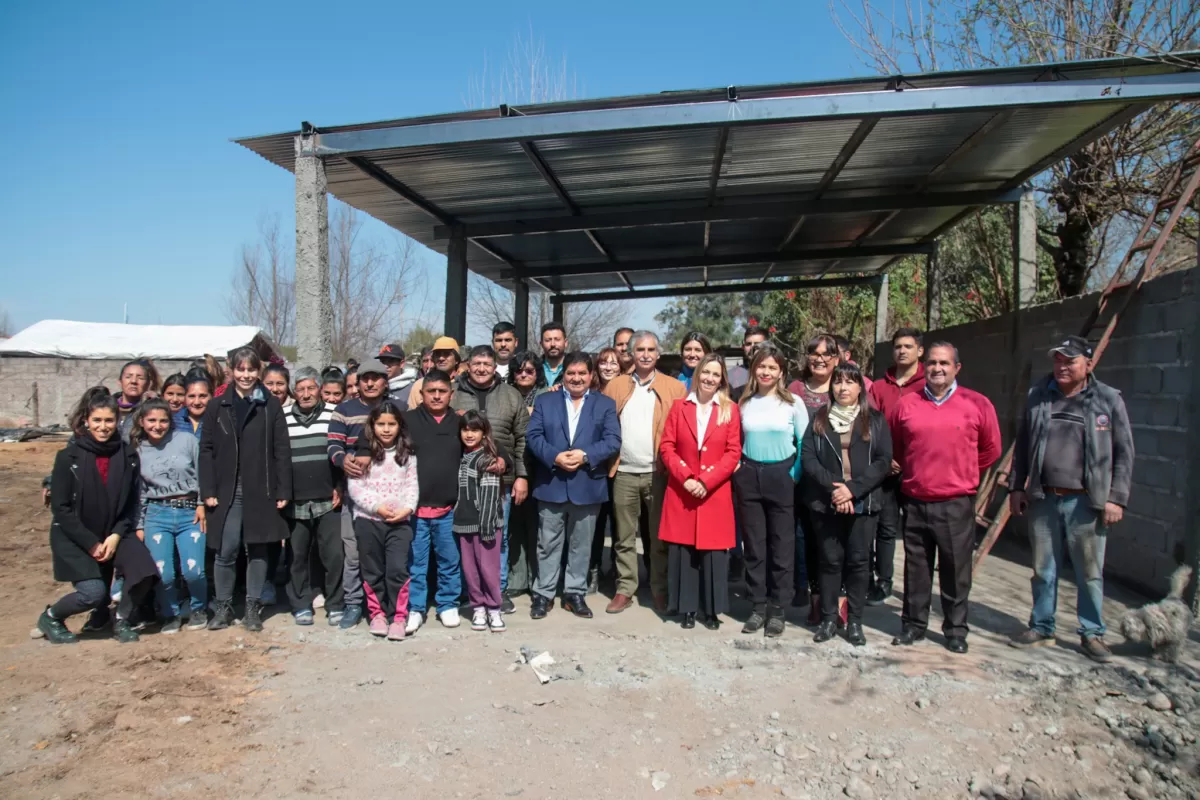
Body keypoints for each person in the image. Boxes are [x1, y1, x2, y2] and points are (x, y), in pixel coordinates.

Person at [1007, 335, 1133, 662]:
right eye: (1058, 360)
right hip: (1043, 499)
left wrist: (1117, 498)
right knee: (1042, 568)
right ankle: (1042, 626)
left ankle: (1092, 633)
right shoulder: (1038, 395)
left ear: (1088, 364)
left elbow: (1124, 454)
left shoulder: (1107, 399)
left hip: (1086, 503)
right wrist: (1016, 487)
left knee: (1089, 572)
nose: (1062, 367)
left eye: (1070, 361)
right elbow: (1021, 446)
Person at [890, 342, 1001, 654]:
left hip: (955, 503)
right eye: (932, 363)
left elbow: (990, 449)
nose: (937, 368)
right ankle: (913, 625)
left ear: (957, 368)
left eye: (944, 363)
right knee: (916, 569)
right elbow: (898, 448)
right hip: (914, 500)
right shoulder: (907, 405)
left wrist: (959, 472)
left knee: (955, 569)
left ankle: (955, 630)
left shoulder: (977, 404)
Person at [36, 388, 159, 644]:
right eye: (97, 421)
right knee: (92, 593)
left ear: (117, 421)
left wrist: (115, 535)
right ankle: (51, 617)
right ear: (86, 421)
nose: (103, 427)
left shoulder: (126, 456)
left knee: (144, 572)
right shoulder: (68, 457)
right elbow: (61, 507)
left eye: (109, 421)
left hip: (114, 531)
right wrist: (90, 543)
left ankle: (122, 619)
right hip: (75, 535)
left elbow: (130, 502)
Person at [199, 347, 292, 633]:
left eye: (251, 370)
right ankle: (224, 606)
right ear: (231, 370)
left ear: (259, 371)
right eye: (240, 369)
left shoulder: (270, 405)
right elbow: (206, 450)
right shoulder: (217, 405)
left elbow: (281, 450)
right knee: (225, 550)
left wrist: (282, 489)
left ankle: (253, 606)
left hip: (260, 489)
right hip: (228, 491)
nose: (246, 375)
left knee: (258, 550)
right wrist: (208, 489)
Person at [405, 370, 506, 633]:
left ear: (451, 394)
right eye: (431, 391)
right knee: (416, 562)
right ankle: (415, 608)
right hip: (416, 508)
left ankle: (447, 603)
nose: (437, 395)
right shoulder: (408, 420)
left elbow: (489, 438)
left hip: (449, 508)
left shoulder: (458, 422)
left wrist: (502, 459)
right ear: (421, 394)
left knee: (449, 560)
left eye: (442, 391)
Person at [526, 352, 622, 620]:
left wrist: (585, 455)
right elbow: (533, 436)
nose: (576, 378)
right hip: (552, 481)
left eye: (582, 373)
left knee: (582, 544)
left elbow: (613, 440)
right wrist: (554, 456)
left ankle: (574, 593)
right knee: (547, 543)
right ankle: (543, 594)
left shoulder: (605, 404)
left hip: (587, 483)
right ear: (563, 375)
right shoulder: (545, 401)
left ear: (591, 376)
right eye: (571, 373)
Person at [801, 363, 891, 647]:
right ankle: (829, 619)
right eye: (838, 382)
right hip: (826, 503)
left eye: (850, 382)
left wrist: (852, 490)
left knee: (859, 563)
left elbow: (883, 461)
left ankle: (854, 622)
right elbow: (808, 459)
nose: (843, 388)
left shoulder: (875, 420)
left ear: (859, 388)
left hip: (863, 503)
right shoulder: (819, 418)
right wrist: (835, 489)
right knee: (829, 562)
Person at [603, 331, 688, 614]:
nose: (646, 354)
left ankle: (659, 589)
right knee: (624, 538)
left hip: (658, 473)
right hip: (624, 472)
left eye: (651, 349)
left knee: (659, 537)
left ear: (658, 354)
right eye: (640, 349)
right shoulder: (616, 386)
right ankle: (625, 588)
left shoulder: (674, 388)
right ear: (630, 352)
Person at [658, 354, 741, 630]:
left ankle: (712, 610)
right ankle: (687, 609)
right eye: (706, 372)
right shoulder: (680, 406)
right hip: (683, 491)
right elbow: (667, 447)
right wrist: (686, 478)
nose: (709, 378)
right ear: (697, 374)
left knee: (714, 554)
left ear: (722, 379)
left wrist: (706, 481)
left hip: (713, 492)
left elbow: (733, 452)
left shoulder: (730, 409)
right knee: (684, 552)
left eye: (716, 374)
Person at [736, 345, 809, 637]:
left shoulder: (793, 403)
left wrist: (794, 475)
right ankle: (757, 606)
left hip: (783, 475)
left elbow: (804, 444)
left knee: (782, 546)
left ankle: (778, 609)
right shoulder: (744, 402)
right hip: (750, 474)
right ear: (754, 369)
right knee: (754, 546)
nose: (766, 372)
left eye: (772, 368)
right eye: (761, 366)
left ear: (781, 372)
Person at [450, 345, 529, 611]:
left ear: (495, 367)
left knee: (497, 537)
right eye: (476, 363)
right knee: (466, 537)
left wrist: (521, 476)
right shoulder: (454, 395)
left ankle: (498, 589)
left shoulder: (510, 395)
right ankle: (469, 592)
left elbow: (522, 439)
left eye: (487, 364)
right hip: (462, 482)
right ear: (467, 366)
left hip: (500, 483)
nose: (481, 369)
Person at [131, 399, 208, 633]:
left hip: (189, 512)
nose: (158, 425)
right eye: (152, 420)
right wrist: (140, 524)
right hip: (157, 514)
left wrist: (202, 503)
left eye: (163, 420)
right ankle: (170, 614)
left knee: (193, 570)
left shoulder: (186, 440)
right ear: (142, 422)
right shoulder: (138, 450)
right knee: (163, 573)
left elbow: (204, 472)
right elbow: (140, 491)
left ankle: (198, 608)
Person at [346, 401, 418, 640]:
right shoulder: (362, 456)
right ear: (372, 426)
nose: (386, 429)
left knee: (397, 569)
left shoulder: (407, 455)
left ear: (400, 426)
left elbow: (411, 487)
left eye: (392, 424)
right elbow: (356, 488)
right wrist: (377, 507)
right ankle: (377, 614)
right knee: (372, 569)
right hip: (368, 520)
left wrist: (407, 508)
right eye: (381, 424)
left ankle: (399, 617)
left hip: (399, 522)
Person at [327, 357, 390, 629]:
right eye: (365, 378)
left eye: (376, 377)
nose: (370, 382)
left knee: (387, 552)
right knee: (352, 552)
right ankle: (353, 603)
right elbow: (332, 446)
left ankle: (386, 605)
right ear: (358, 382)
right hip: (354, 492)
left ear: (385, 382)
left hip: (389, 491)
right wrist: (343, 460)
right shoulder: (344, 410)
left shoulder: (396, 408)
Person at [866, 328, 926, 606]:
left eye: (908, 346)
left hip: (917, 471)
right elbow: (869, 425)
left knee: (916, 533)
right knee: (885, 528)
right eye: (898, 346)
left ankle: (916, 590)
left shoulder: (928, 385)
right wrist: (884, 457)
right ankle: (883, 581)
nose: (902, 351)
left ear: (919, 351)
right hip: (885, 470)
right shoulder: (879, 387)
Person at [283, 367, 345, 626]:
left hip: (328, 498)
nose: (306, 394)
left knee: (333, 554)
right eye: (300, 389)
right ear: (294, 392)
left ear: (319, 389)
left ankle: (335, 604)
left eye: (311, 388)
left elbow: (342, 450)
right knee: (297, 556)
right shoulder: (282, 416)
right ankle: (300, 604)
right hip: (294, 499)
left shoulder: (334, 414)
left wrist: (340, 485)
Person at [789, 333, 840, 623]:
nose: (820, 359)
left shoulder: (844, 386)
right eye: (814, 353)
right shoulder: (794, 389)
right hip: (800, 478)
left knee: (830, 542)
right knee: (802, 537)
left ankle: (835, 602)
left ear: (836, 358)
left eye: (826, 354)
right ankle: (810, 595)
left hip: (834, 480)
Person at [454, 411, 508, 633]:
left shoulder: (487, 459)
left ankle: (494, 608)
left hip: (486, 525)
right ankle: (478, 607)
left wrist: (487, 526)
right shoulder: (461, 456)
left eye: (475, 430)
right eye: (465, 429)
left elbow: (489, 494)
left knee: (488, 568)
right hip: (464, 523)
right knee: (470, 569)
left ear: (484, 433)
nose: (469, 434)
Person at [505, 350, 547, 601]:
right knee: (515, 526)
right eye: (519, 370)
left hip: (540, 467)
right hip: (513, 467)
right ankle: (517, 579)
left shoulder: (547, 396)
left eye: (529, 370)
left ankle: (537, 580)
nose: (523, 374)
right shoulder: (506, 395)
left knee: (539, 528)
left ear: (537, 373)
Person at [590, 346, 624, 590]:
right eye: (604, 362)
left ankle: (616, 568)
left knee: (619, 522)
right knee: (595, 522)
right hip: (592, 466)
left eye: (614, 363)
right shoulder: (588, 392)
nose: (608, 367)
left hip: (620, 465)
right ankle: (592, 568)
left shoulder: (627, 391)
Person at [406, 336, 462, 410]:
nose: (441, 358)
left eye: (446, 354)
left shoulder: (464, 384)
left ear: (456, 360)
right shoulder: (420, 384)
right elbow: (411, 416)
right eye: (437, 354)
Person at [115, 359, 156, 441]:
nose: (133, 381)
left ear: (149, 384)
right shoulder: (108, 407)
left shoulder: (153, 410)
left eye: (140, 378)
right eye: (128, 377)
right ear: (120, 382)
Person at [728, 325, 769, 399]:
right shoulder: (733, 376)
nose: (752, 347)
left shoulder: (776, 373)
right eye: (748, 344)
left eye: (757, 344)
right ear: (743, 347)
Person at [175, 369, 212, 437]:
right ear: (185, 397)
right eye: (191, 396)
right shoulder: (174, 421)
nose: (197, 402)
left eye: (202, 396)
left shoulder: (219, 422)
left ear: (212, 396)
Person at [540, 322, 568, 388]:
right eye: (548, 340)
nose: (553, 344)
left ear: (565, 342)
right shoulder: (534, 368)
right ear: (541, 344)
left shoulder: (574, 367)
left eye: (557, 339)